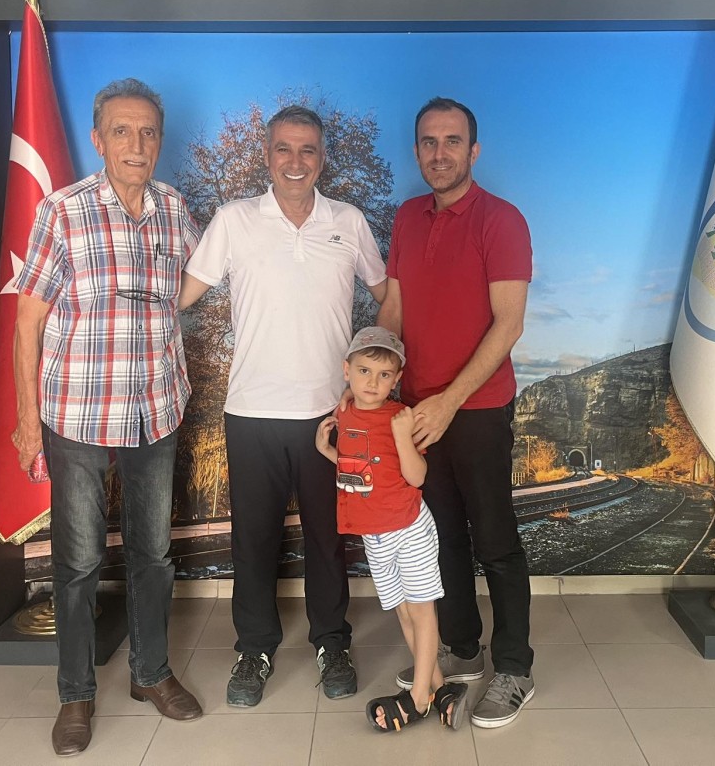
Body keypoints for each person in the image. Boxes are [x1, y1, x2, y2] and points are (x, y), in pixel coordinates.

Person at [13, 78, 204, 757]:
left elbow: (191, 286)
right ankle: (75, 693)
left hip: (156, 407)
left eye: (148, 132)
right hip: (78, 413)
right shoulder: (62, 211)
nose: (136, 144)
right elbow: (28, 321)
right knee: (78, 561)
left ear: (161, 140)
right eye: (122, 131)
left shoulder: (175, 208)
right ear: (98, 139)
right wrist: (27, 420)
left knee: (154, 553)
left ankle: (151, 674)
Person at [179, 105, 387, 708]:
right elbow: (181, 296)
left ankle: (332, 642)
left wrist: (371, 380)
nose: (296, 161)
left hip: (330, 416)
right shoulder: (234, 220)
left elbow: (387, 295)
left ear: (322, 158)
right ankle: (254, 648)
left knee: (328, 538)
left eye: (308, 150)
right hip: (251, 412)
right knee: (254, 540)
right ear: (266, 155)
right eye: (284, 149)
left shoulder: (348, 221)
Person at [378, 96, 535, 729]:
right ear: (416, 150)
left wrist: (449, 401)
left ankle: (515, 668)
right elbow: (393, 310)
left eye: (451, 141)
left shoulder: (502, 220)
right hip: (415, 410)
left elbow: (509, 324)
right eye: (428, 142)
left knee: (495, 541)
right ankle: (464, 649)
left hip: (477, 408)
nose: (439, 153)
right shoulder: (406, 218)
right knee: (438, 537)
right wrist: (375, 387)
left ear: (474, 150)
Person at [314, 327, 466, 732]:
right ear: (346, 370)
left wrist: (401, 437)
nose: (372, 382)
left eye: (384, 375)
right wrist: (328, 451)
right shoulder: (346, 412)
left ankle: (417, 699)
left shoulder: (402, 418)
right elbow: (359, 471)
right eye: (364, 371)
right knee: (402, 609)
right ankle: (438, 689)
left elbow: (417, 477)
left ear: (397, 378)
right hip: (374, 533)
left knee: (421, 610)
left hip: (408, 527)